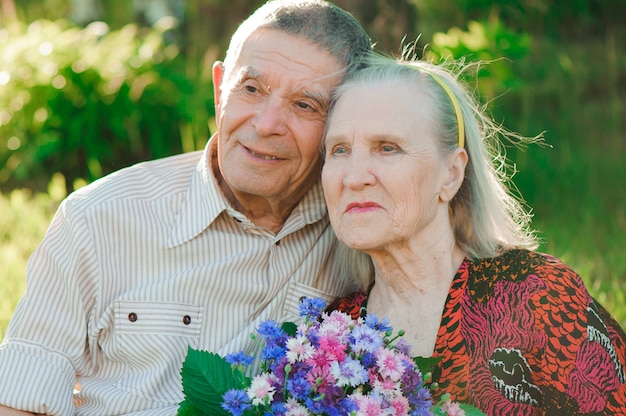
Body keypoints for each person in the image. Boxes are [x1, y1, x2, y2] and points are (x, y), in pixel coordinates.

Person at [0, 1, 371, 414]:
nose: (267, 124)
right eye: (251, 88)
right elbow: (20, 401)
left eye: (305, 105)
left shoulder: (360, 231)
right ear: (219, 89)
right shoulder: (97, 220)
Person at [321, 53, 626, 415]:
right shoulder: (332, 335)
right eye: (339, 150)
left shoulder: (536, 295)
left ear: (450, 174)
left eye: (387, 148)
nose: (354, 177)